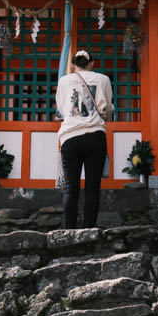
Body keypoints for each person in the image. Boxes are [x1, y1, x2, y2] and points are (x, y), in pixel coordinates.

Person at [55, 48, 113, 229]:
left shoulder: (64, 81)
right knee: (92, 187)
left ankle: (70, 230)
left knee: (70, 188)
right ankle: (89, 228)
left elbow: (61, 107)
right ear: (92, 63)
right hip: (95, 136)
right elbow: (108, 109)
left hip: (70, 136)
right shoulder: (103, 79)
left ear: (73, 66)